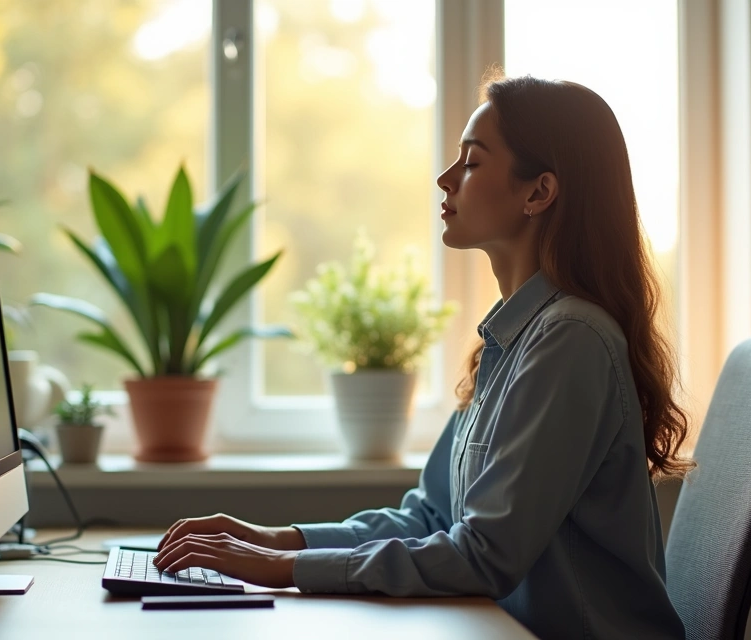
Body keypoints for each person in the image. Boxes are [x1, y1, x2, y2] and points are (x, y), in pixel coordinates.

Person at [153, 75, 691, 639]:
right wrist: (278, 540)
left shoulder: (571, 339)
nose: (445, 179)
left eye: (472, 162)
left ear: (538, 193)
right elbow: (431, 517)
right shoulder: (510, 342)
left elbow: (484, 556)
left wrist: (284, 571)